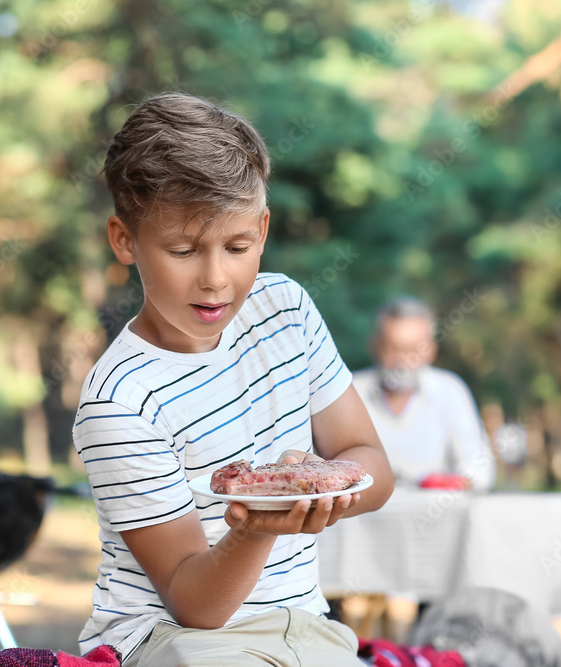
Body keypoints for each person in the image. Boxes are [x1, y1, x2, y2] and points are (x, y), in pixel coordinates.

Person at [73, 92, 394, 666]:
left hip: (304, 624)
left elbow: (371, 462)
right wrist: (256, 528)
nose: (216, 278)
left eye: (237, 246)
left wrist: (322, 484)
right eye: (182, 250)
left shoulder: (285, 310)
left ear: (263, 229)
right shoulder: (119, 399)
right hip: (176, 640)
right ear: (124, 240)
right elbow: (194, 603)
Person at [351, 298, 495, 491]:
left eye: (413, 350)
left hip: (438, 516)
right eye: (393, 348)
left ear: (431, 350)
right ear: (375, 346)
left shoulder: (450, 391)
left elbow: (479, 469)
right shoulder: (350, 391)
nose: (403, 361)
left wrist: (443, 483)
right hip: (361, 519)